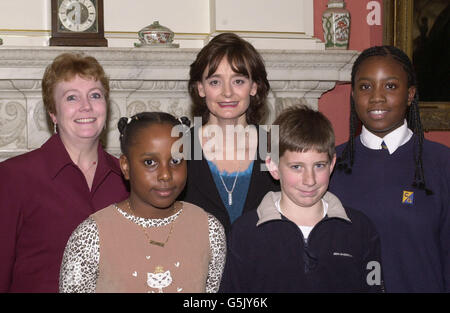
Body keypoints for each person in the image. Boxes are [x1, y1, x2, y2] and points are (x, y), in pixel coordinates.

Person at [0, 53, 129, 292]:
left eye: (95, 95)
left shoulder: (127, 178)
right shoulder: (13, 177)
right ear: (53, 113)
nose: (86, 106)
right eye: (71, 97)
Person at [219, 105, 384, 292]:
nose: (310, 180)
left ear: (332, 165)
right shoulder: (245, 233)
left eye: (319, 165)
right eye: (297, 167)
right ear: (273, 166)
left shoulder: (361, 230)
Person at [59, 112, 226, 293]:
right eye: (149, 162)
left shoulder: (208, 230)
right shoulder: (92, 236)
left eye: (176, 160)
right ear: (126, 166)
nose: (165, 174)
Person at [329, 45, 450, 292]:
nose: (377, 97)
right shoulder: (329, 165)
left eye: (390, 86)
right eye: (365, 86)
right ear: (352, 95)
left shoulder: (442, 163)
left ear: (410, 94)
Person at [180, 32, 280, 233]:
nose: (227, 92)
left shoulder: (276, 147)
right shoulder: (180, 149)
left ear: (254, 87)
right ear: (201, 88)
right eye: (215, 82)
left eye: (238, 81)